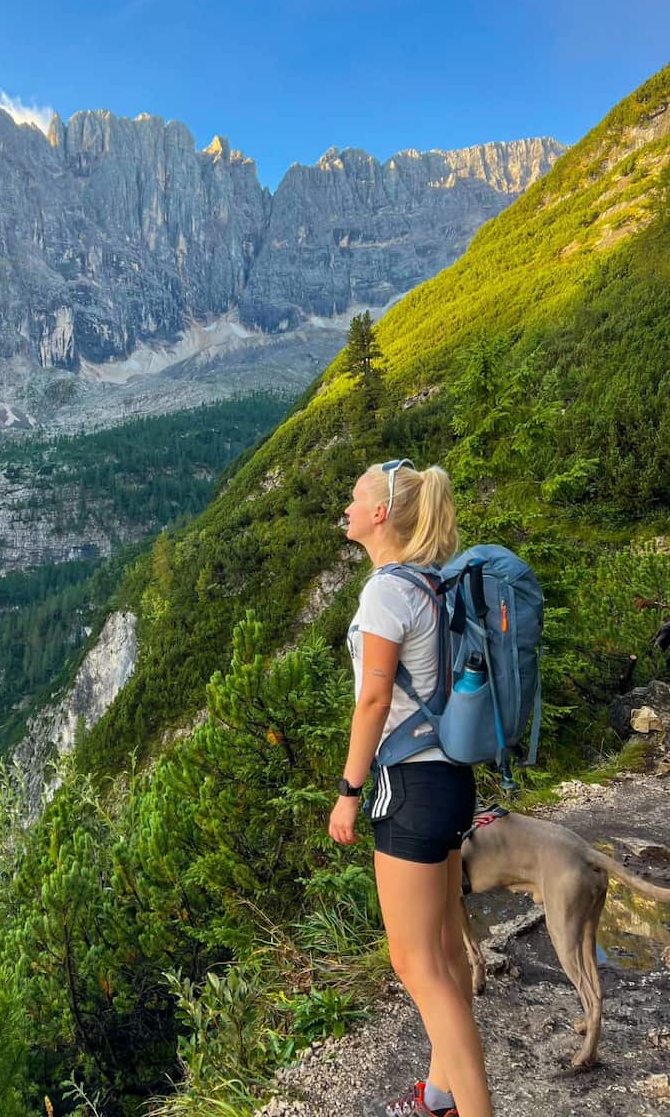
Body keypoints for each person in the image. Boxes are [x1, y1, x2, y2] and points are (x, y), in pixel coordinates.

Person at [329, 459, 492, 1117]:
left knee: (416, 963)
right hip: (450, 779)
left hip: (410, 786)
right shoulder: (434, 583)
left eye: (355, 495)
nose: (346, 505)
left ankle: (474, 1109)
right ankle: (442, 1095)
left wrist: (349, 790)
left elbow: (373, 701)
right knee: (446, 951)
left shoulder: (386, 592)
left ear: (379, 514)